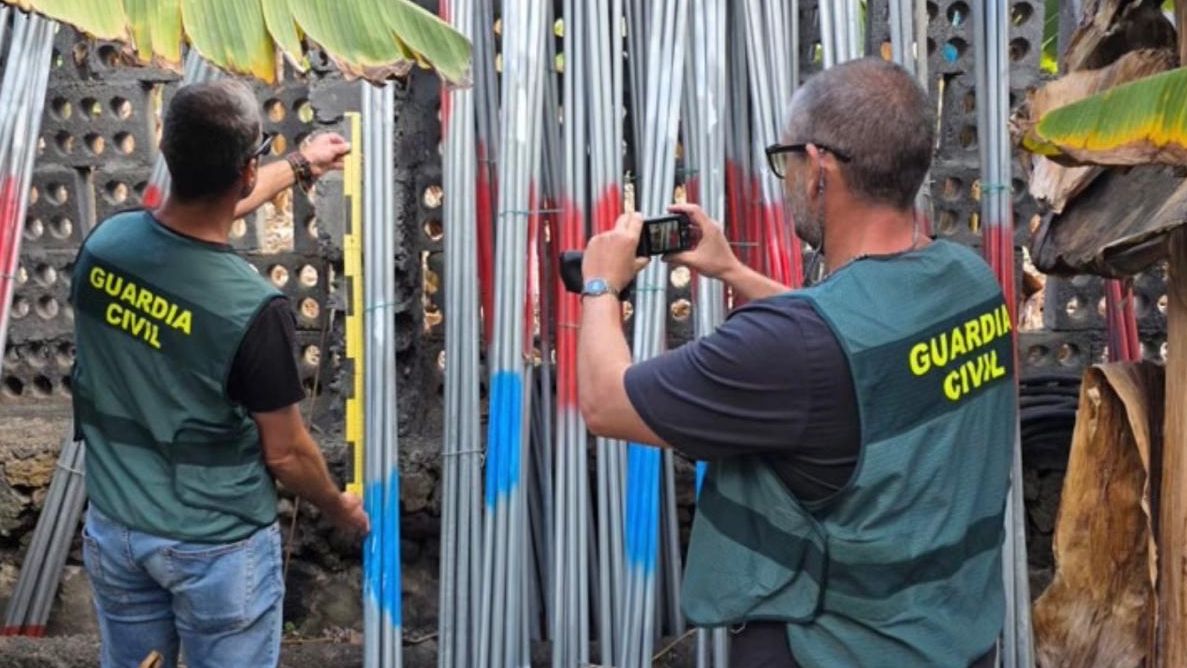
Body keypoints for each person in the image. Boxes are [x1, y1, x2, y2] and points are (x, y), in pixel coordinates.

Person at [577, 58, 1013, 667]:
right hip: (953, 640)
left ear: (819, 169)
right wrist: (734, 272)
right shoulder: (970, 282)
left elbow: (605, 402)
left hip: (835, 650)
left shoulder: (786, 346)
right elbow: (855, 349)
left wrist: (600, 286)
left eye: (786, 161)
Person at [71, 80, 369, 668]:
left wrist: (299, 164)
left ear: (166, 149)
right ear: (245, 172)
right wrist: (340, 508)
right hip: (216, 549)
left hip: (116, 528)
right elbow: (285, 454)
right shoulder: (252, 310)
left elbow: (198, 216)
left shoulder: (106, 244)